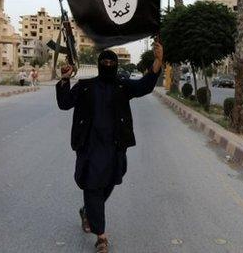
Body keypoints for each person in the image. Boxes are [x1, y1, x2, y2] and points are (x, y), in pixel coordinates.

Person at [56, 42, 163, 253]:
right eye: (104, 62)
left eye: (110, 62)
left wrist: (158, 60)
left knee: (109, 183)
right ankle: (101, 236)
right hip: (90, 147)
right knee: (93, 186)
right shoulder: (86, 86)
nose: (107, 64)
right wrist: (65, 79)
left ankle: (88, 211)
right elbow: (65, 103)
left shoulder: (123, 86)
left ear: (115, 65)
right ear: (99, 64)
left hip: (115, 147)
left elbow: (145, 86)